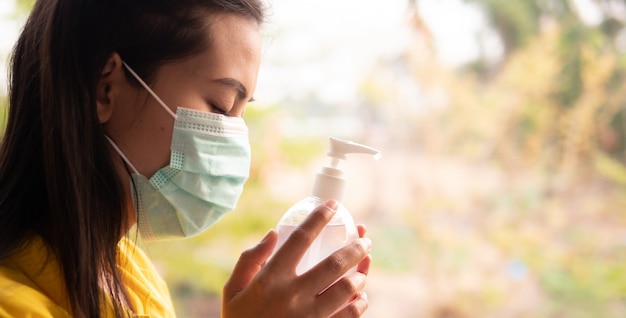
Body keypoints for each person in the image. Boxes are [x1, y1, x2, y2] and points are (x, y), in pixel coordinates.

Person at [0, 0, 372, 317]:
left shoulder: (136, 282)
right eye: (221, 106)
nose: (236, 141)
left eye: (242, 114)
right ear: (105, 89)